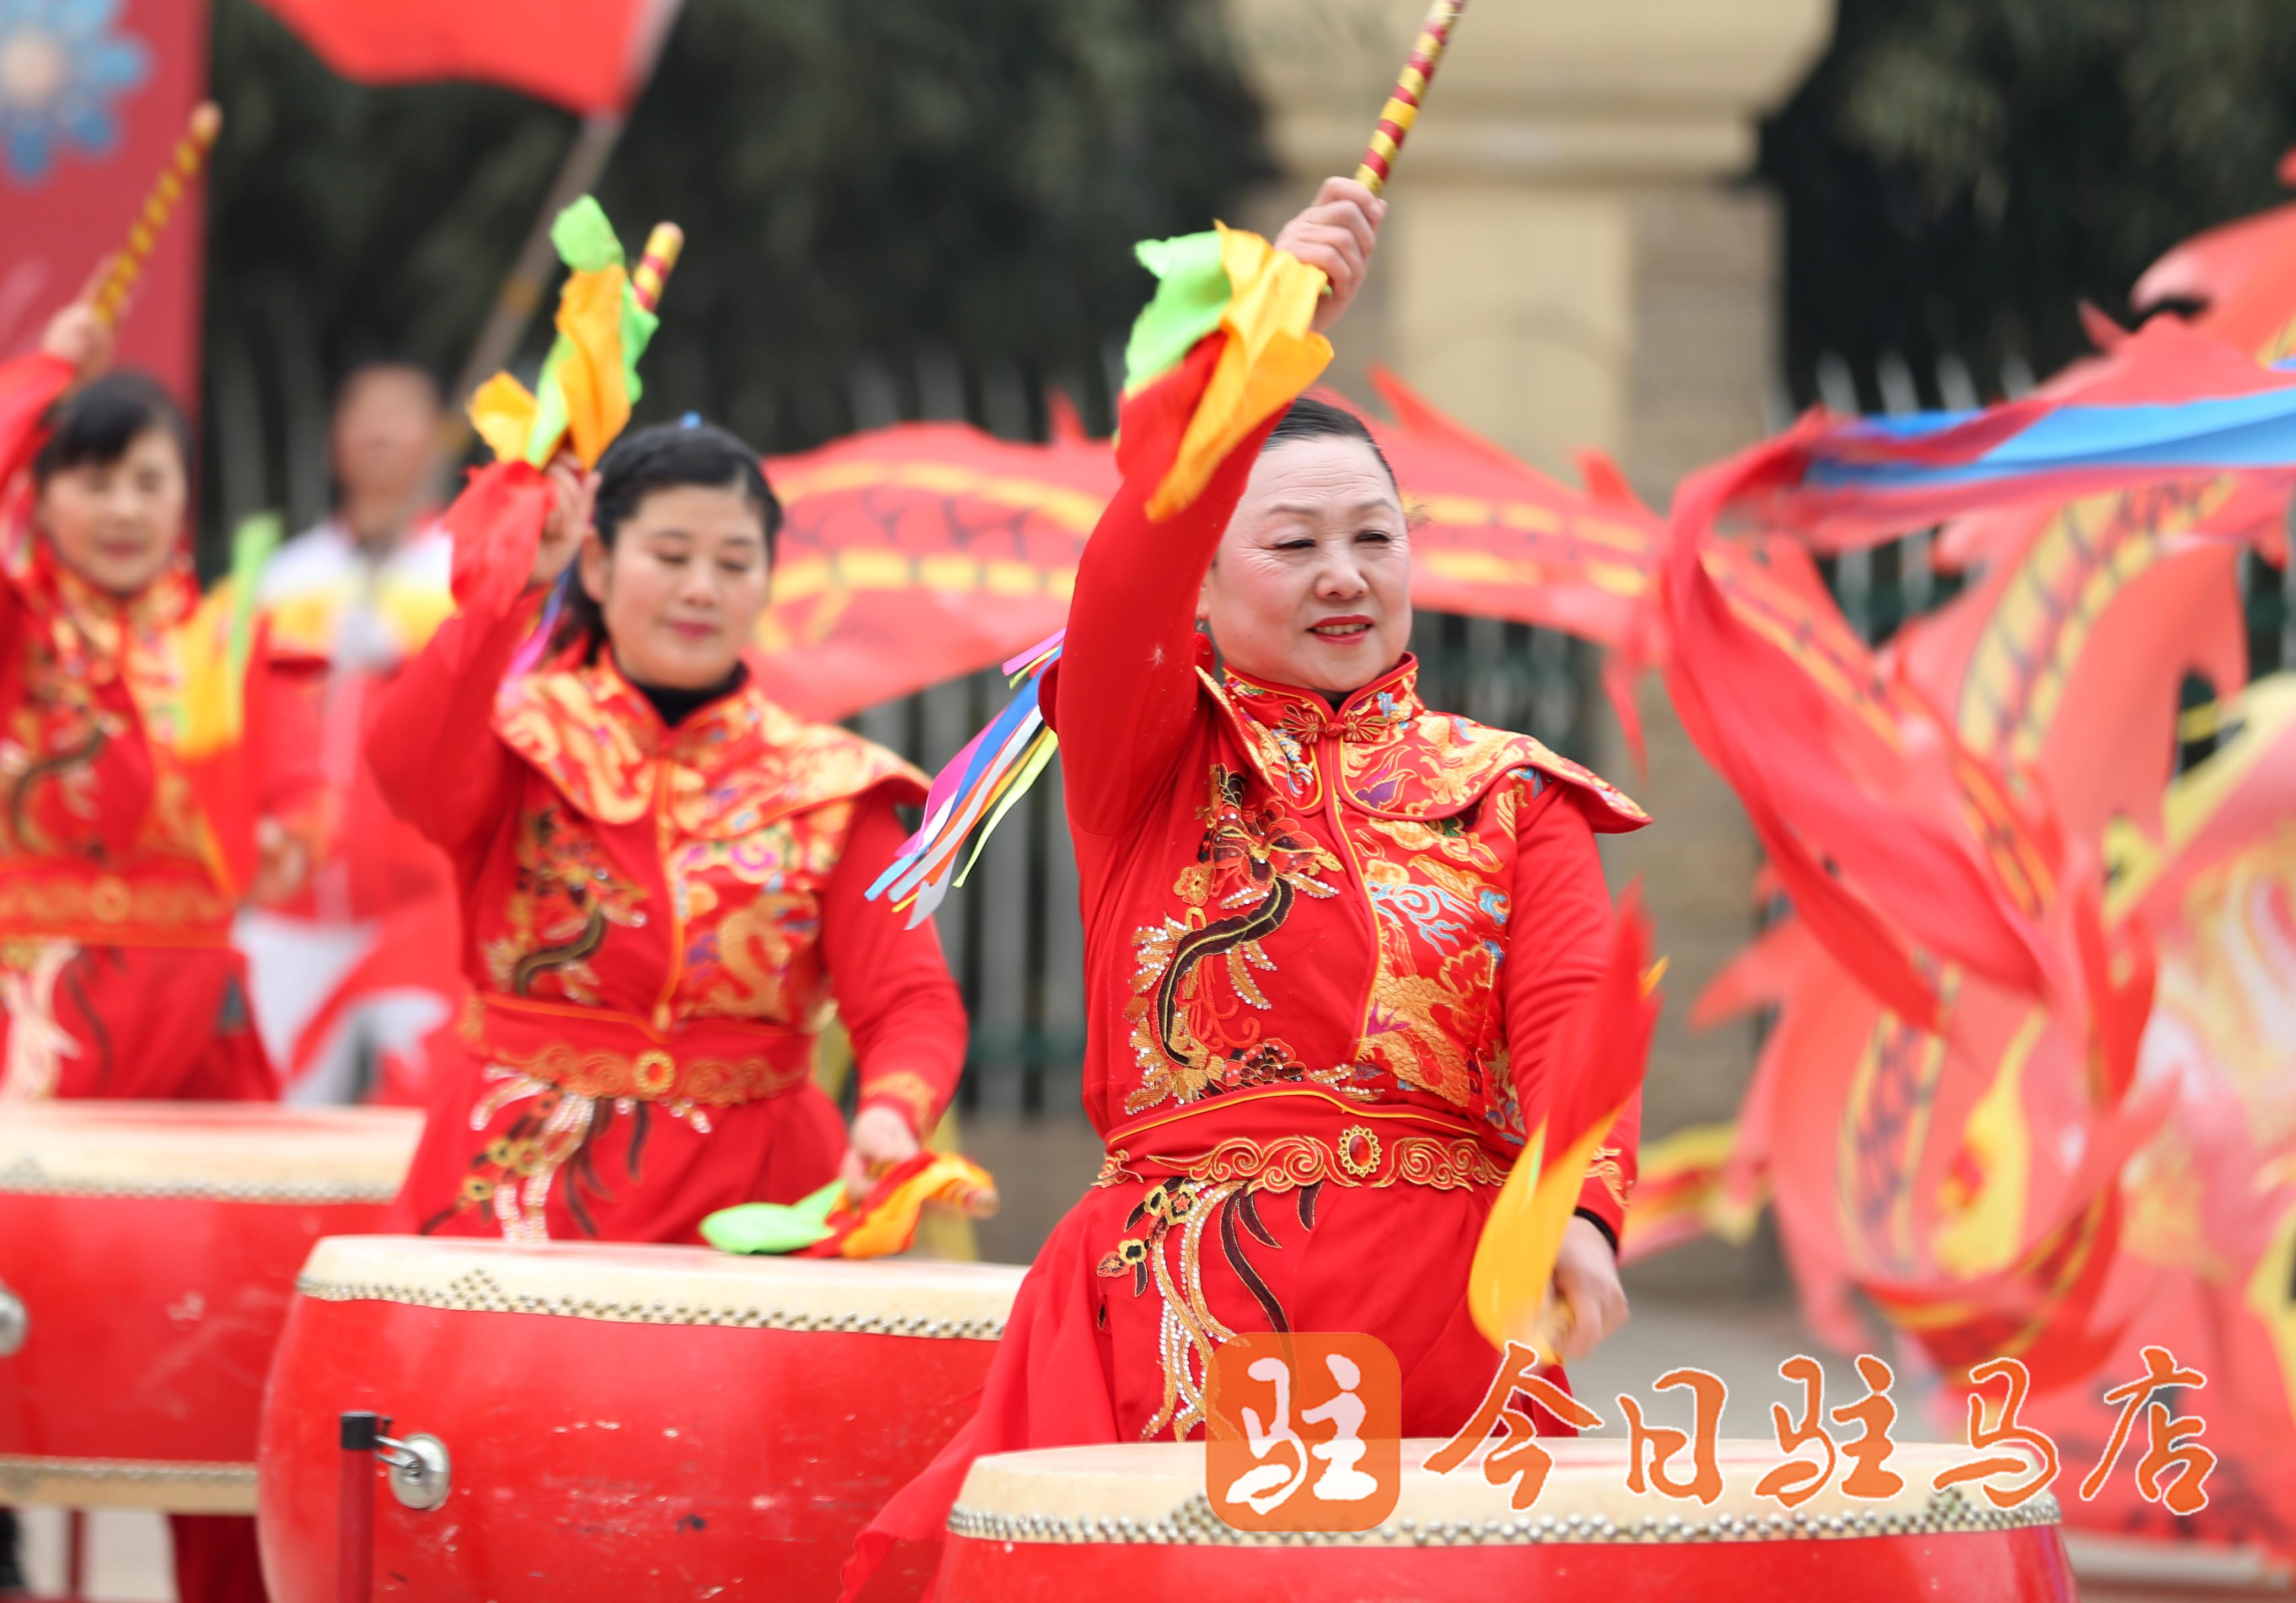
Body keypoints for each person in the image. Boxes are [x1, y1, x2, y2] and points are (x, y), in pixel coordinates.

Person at [849, 179, 1648, 1588]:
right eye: (1292, 543)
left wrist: (1577, 1212)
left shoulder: (1515, 790)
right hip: (1182, 1320)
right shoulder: (1145, 755)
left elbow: (1577, 1012)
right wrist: (1261, 353)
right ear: (1206, 590)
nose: (1344, 574)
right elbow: (1133, 559)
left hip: (1450, 1326)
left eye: (1374, 537)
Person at [371, 419, 967, 1245]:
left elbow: (908, 1000)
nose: (702, 590)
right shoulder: (518, 741)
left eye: (733, 564)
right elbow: (405, 766)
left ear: (766, 582)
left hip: (755, 1198)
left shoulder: (833, 789)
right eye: (671, 556)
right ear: (599, 564)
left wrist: (895, 1112)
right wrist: (509, 591)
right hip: (511, 1185)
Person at [0, 293, 317, 1602]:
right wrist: (42, 374)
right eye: (92, 476)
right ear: (43, 488)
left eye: (151, 477)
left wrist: (302, 818)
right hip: (33, 1003)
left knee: (250, 1313)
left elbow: (294, 773)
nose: (125, 507)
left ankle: (234, 1577)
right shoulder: (16, 626)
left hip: (201, 1013)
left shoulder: (226, 633)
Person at [235, 361, 463, 1106]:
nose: (383, 431)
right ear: (334, 442)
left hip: (425, 906)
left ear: (439, 440)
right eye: (365, 413)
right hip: (295, 899)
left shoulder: (462, 572)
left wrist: (408, 651)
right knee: (278, 1115)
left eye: (403, 414)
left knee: (424, 1107)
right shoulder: (286, 576)